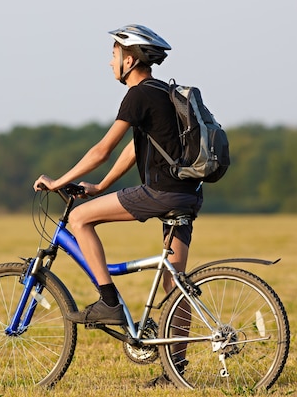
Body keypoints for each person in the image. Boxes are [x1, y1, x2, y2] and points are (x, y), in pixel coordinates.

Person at [33, 24, 203, 327]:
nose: (110, 62)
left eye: (114, 54)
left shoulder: (138, 95)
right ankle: (175, 371)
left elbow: (103, 150)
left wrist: (56, 182)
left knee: (79, 219)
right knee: (174, 288)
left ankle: (108, 302)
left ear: (130, 60)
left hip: (161, 192)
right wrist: (100, 186)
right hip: (188, 193)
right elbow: (135, 150)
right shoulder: (164, 92)